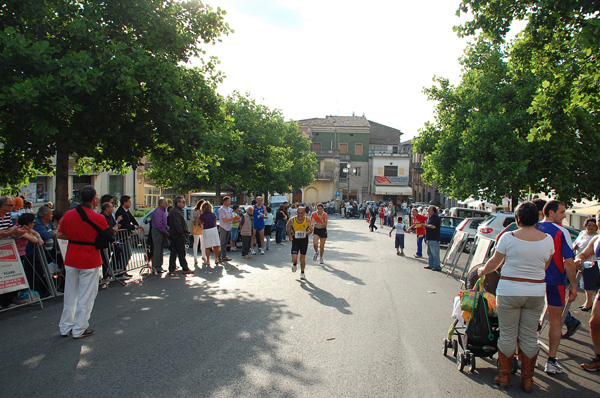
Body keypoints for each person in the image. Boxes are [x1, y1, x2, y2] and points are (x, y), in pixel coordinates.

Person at [477, 201, 553, 392]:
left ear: (517, 218)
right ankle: (528, 379)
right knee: (528, 336)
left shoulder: (508, 238)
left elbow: (494, 262)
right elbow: (545, 266)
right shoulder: (547, 239)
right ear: (536, 218)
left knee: (508, 334)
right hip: (535, 292)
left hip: (510, 290)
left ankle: (504, 375)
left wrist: (482, 271)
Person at [56, 185, 113, 339]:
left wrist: (75, 237)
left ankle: (65, 326)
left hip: (72, 255)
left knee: (70, 294)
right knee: (86, 295)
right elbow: (109, 234)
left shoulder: (68, 214)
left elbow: (60, 234)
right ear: (94, 198)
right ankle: (79, 328)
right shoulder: (98, 217)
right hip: (89, 257)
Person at [536, 200, 577, 374]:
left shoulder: (533, 227)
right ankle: (551, 361)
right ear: (550, 213)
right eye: (562, 212)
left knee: (527, 319)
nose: (564, 216)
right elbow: (569, 261)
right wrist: (574, 285)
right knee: (555, 321)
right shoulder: (562, 232)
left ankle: (520, 356)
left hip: (534, 280)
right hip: (555, 282)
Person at [574, 228, 600, 371]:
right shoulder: (596, 239)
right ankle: (599, 357)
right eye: (599, 219)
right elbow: (585, 253)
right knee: (595, 322)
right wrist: (579, 259)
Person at [573, 217, 598, 311]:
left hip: (591, 263)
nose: (590, 227)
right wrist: (575, 247)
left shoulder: (595, 237)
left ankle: (589, 303)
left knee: (589, 283)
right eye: (589, 225)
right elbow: (576, 243)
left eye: (593, 225)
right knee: (583, 283)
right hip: (580, 262)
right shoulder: (582, 233)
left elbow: (592, 252)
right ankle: (588, 302)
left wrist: (582, 258)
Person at [167, 196, 193, 276]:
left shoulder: (176, 211)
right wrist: (182, 232)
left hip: (175, 235)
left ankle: (172, 269)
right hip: (177, 235)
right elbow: (178, 224)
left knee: (174, 252)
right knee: (181, 252)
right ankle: (184, 268)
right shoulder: (176, 212)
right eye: (183, 202)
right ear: (178, 203)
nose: (184, 204)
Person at [286, 206, 313, 280]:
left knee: (302, 258)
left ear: (304, 213)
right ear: (296, 213)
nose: (300, 215)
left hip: (304, 240)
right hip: (295, 240)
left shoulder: (307, 220)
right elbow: (288, 226)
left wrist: (309, 232)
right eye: (298, 213)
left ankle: (302, 272)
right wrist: (289, 235)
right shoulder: (292, 220)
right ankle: (295, 264)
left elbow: (311, 229)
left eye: (301, 213)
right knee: (294, 258)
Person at [218, 196, 239, 263]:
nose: (229, 202)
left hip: (229, 227)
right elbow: (224, 219)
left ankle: (224, 256)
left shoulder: (230, 209)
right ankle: (219, 256)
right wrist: (232, 219)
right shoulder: (221, 209)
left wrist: (237, 217)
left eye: (229, 201)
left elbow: (232, 217)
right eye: (228, 201)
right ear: (224, 202)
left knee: (226, 242)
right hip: (223, 227)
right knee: (222, 242)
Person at [150, 198, 169, 274]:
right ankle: (156, 267)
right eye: (165, 203)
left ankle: (159, 266)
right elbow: (158, 224)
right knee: (157, 249)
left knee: (160, 249)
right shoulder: (158, 211)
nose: (167, 204)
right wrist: (165, 231)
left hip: (161, 231)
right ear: (161, 204)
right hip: (157, 231)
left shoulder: (162, 211)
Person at [199, 201, 221, 267]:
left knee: (207, 246)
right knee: (215, 245)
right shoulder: (213, 214)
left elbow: (199, 222)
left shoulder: (202, 215)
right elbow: (215, 222)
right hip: (213, 229)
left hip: (206, 230)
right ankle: (216, 258)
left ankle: (208, 260)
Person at [423, 205, 441, 271]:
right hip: (429, 237)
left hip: (434, 238)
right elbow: (428, 225)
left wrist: (426, 225)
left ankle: (437, 266)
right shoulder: (429, 217)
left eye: (429, 210)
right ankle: (431, 265)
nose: (427, 211)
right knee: (429, 253)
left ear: (433, 211)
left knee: (435, 253)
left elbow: (433, 226)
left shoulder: (435, 217)